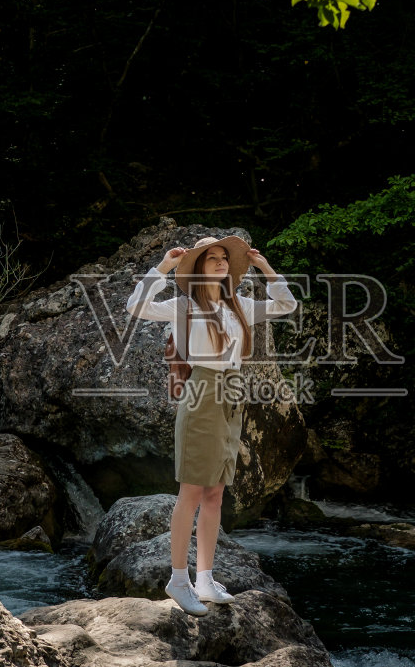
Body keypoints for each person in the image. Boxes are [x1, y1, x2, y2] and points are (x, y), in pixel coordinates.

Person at [124, 235, 298, 616]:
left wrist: (265, 268)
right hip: (201, 392)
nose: (220, 262)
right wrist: (164, 267)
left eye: (224, 257)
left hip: (233, 394)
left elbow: (287, 304)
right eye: (212, 258)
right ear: (199, 267)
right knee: (191, 491)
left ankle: (204, 577)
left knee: (215, 493)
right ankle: (178, 579)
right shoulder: (185, 305)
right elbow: (136, 306)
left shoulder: (240, 304)